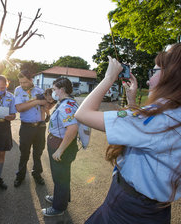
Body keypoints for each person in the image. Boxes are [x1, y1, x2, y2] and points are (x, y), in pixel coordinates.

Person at [75, 43, 181, 224]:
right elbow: (145, 135)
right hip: (156, 211)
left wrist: (109, 77)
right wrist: (132, 101)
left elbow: (83, 114)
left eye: (153, 71)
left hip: (129, 209)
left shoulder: (159, 118)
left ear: (171, 75)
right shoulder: (173, 114)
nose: (148, 80)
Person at [42, 77, 79, 217]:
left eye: (55, 89)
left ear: (62, 90)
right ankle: (60, 197)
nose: (53, 92)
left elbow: (72, 128)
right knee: (61, 176)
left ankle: (58, 207)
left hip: (61, 145)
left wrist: (60, 150)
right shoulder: (67, 102)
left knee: (60, 177)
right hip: (59, 142)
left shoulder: (66, 106)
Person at [13, 69, 49, 187]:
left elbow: (46, 104)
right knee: (24, 153)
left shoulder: (39, 90)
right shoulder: (18, 90)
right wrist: (36, 102)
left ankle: (37, 174)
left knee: (38, 153)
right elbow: (19, 108)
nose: (22, 85)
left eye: (25, 82)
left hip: (40, 127)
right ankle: (20, 176)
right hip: (26, 127)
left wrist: (46, 107)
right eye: (20, 82)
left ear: (31, 80)